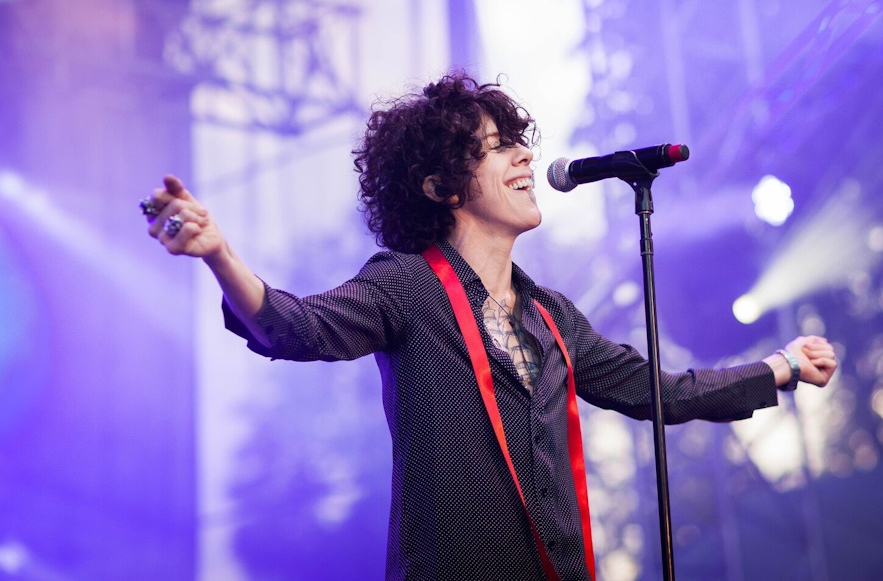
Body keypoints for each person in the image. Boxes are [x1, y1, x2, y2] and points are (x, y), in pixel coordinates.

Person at [142, 72, 837, 580]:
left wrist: (780, 366)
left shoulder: (552, 317)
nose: (525, 156)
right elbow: (296, 327)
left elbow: (665, 392)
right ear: (442, 186)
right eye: (499, 147)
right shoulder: (407, 286)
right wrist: (219, 254)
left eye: (520, 143)